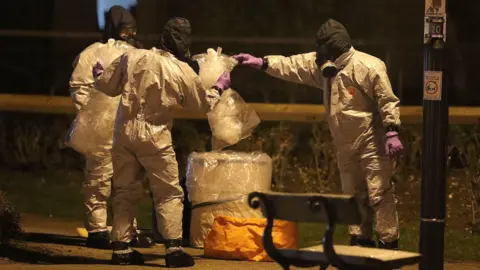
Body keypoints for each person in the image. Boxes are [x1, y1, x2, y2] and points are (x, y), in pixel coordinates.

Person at [233, 19, 404, 250]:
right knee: (353, 195)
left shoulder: (369, 66)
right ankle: (360, 242)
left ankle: (388, 244)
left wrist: (392, 130)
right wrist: (262, 63)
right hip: (344, 143)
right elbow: (292, 65)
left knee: (379, 193)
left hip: (372, 140)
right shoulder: (324, 67)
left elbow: (386, 99)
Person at [93, 17, 231, 267]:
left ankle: (121, 249)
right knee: (167, 192)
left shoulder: (132, 56)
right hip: (155, 136)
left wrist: (99, 74)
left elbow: (106, 85)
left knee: (124, 189)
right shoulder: (181, 70)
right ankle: (173, 249)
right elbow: (201, 105)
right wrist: (218, 88)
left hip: (123, 132)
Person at [69, 5, 152, 249]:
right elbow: (78, 85)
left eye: (132, 29)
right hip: (101, 130)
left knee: (128, 179)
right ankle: (97, 229)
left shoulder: (139, 53)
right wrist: (94, 112)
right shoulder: (94, 53)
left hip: (128, 126)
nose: (129, 33)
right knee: (99, 177)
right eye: (125, 28)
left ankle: (127, 230)